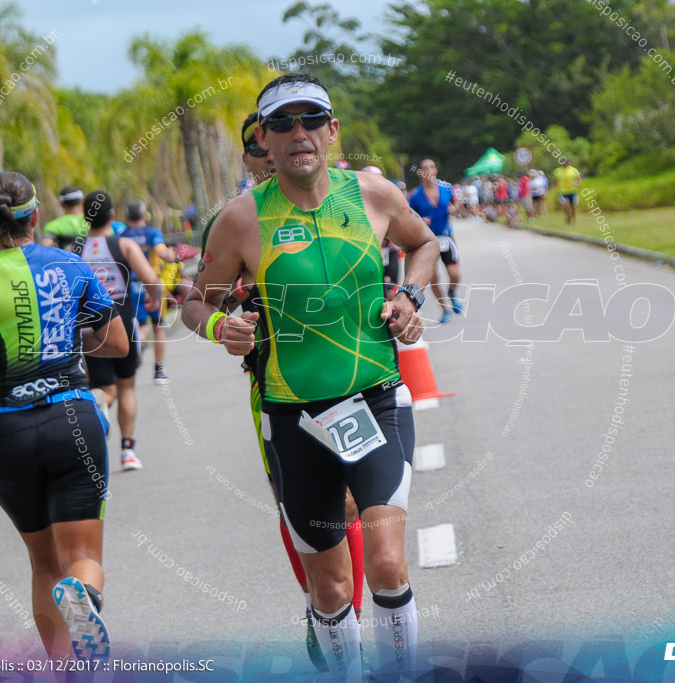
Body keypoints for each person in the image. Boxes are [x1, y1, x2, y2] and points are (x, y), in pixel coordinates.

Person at [184, 74, 439, 680]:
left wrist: (408, 296)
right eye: (282, 124)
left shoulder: (373, 194)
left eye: (310, 120)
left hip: (375, 399)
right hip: (292, 419)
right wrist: (221, 329)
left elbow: (425, 243)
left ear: (332, 130)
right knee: (328, 585)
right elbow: (196, 301)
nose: (298, 133)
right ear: (264, 142)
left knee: (384, 563)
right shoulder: (241, 220)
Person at [0, 171, 128, 662]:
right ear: (37, 216)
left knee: (42, 565)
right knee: (80, 558)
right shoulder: (71, 265)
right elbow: (118, 344)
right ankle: (86, 596)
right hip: (72, 419)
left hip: (7, 430)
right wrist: (63, 339)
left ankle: (64, 672)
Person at [73, 190, 161, 471]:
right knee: (126, 386)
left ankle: (98, 410)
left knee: (103, 388)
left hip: (90, 326)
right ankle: (128, 451)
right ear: (112, 216)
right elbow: (150, 279)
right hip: (122, 320)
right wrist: (154, 297)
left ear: (85, 217)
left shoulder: (73, 251)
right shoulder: (124, 245)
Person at [122, 199, 176, 384]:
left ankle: (138, 345)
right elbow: (162, 253)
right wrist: (171, 254)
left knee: (140, 325)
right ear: (145, 214)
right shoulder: (153, 232)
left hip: (132, 285)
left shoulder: (123, 235)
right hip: (152, 285)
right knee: (158, 325)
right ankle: (159, 370)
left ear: (127, 216)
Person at [409, 157, 462, 323]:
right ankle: (445, 309)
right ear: (420, 172)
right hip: (427, 242)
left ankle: (452, 292)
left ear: (436, 170)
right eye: (424, 168)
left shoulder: (446, 189)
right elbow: (409, 216)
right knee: (433, 279)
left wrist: (454, 208)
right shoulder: (415, 196)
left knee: (455, 274)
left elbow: (456, 203)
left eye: (431, 167)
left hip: (446, 237)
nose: (428, 171)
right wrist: (419, 221)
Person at [41, 185, 88, 249]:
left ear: (61, 204)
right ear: (82, 201)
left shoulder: (53, 225)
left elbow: (45, 246)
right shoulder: (94, 221)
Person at [553, 160, 582, 224]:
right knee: (565, 206)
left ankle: (573, 220)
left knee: (573, 207)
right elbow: (556, 181)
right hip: (563, 192)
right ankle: (568, 217)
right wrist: (557, 189)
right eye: (564, 162)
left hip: (572, 191)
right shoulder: (557, 171)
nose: (565, 164)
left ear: (569, 163)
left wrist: (576, 183)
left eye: (567, 162)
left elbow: (579, 180)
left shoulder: (574, 170)